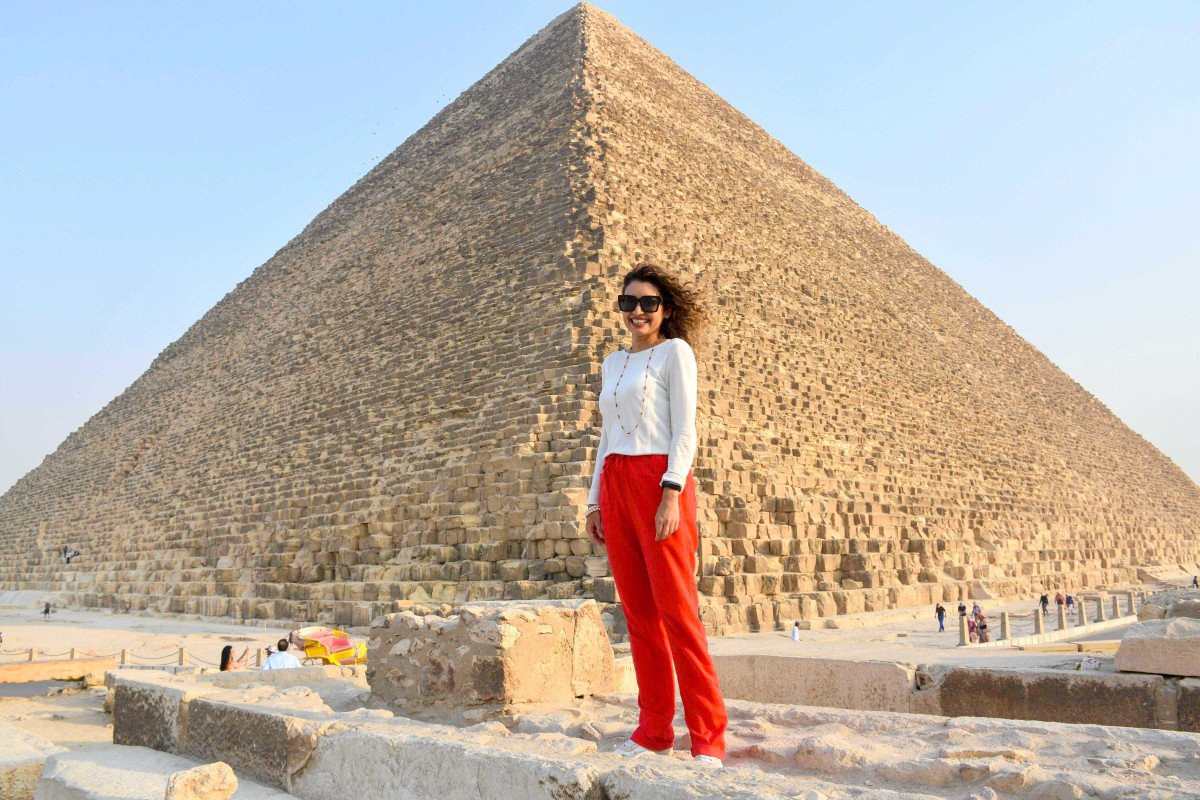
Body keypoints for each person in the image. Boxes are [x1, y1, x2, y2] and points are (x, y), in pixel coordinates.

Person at [584, 264, 726, 769]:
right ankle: (654, 729)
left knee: (678, 613)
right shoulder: (612, 363)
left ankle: (708, 736)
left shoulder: (675, 353)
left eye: (648, 303)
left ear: (665, 308)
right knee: (640, 618)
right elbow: (607, 437)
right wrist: (594, 502)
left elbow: (685, 431)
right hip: (616, 484)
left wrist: (671, 491)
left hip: (659, 482)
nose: (637, 312)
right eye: (628, 303)